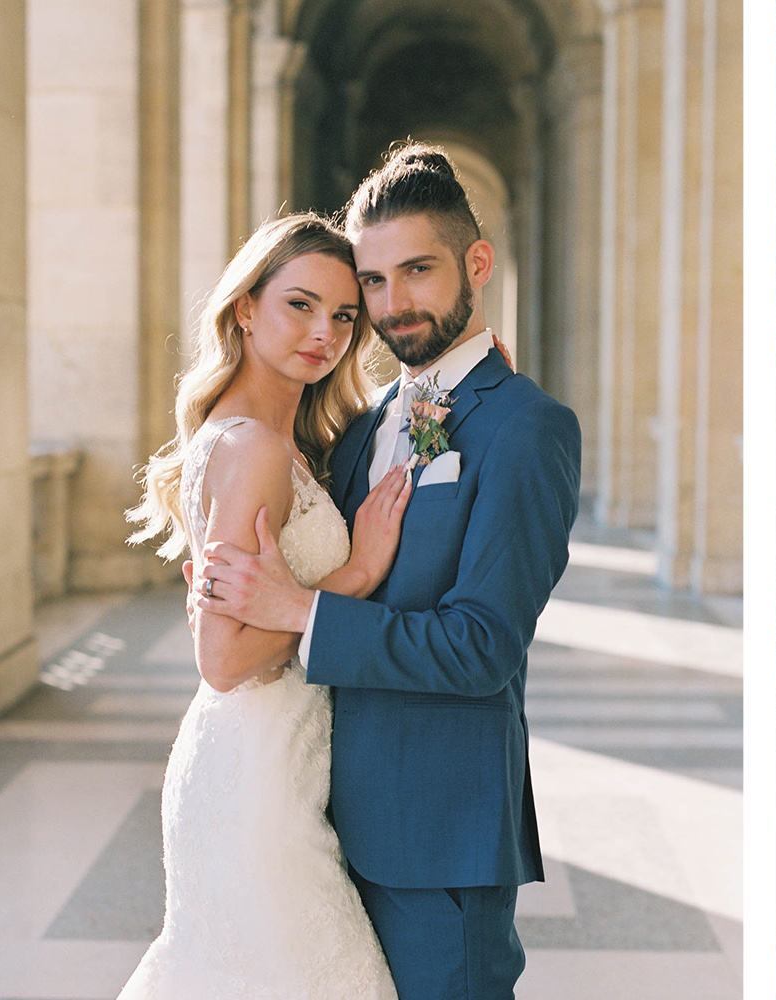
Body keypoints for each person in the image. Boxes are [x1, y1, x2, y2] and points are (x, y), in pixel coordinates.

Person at [191, 144, 582, 999]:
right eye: (372, 281)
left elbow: (483, 648)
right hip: (316, 822)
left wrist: (307, 612)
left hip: (437, 834)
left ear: (475, 264)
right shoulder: (362, 427)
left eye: (418, 270)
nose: (391, 303)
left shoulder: (524, 428)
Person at [122, 212, 408, 997]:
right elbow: (221, 660)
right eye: (300, 305)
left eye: (345, 315)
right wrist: (356, 575)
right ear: (245, 308)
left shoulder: (272, 437)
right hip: (255, 789)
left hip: (274, 768)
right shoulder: (251, 447)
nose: (325, 332)